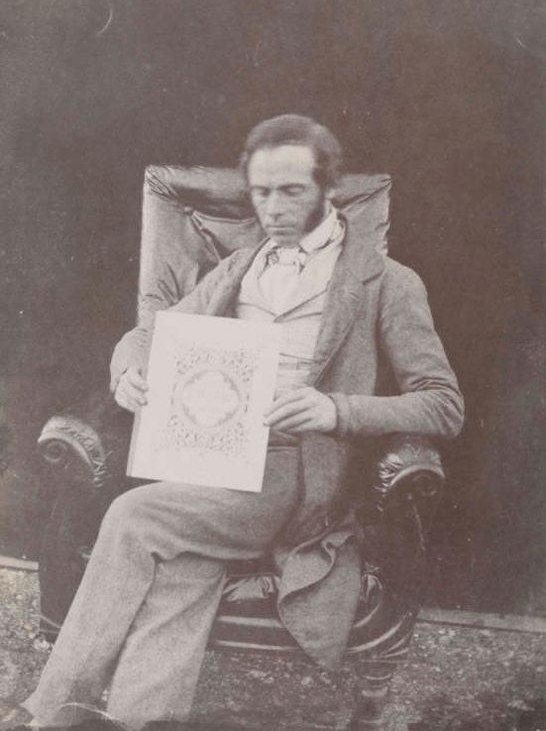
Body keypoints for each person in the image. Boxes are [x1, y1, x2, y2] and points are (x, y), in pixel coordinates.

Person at [23, 115, 464, 730]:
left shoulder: (384, 282)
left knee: (132, 516)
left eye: (291, 191)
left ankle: (49, 713)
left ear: (328, 191)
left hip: (294, 473)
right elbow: (150, 333)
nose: (274, 207)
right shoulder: (242, 268)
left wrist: (336, 410)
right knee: (181, 566)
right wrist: (128, 369)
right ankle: (141, 719)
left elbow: (443, 403)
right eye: (261, 192)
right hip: (211, 456)